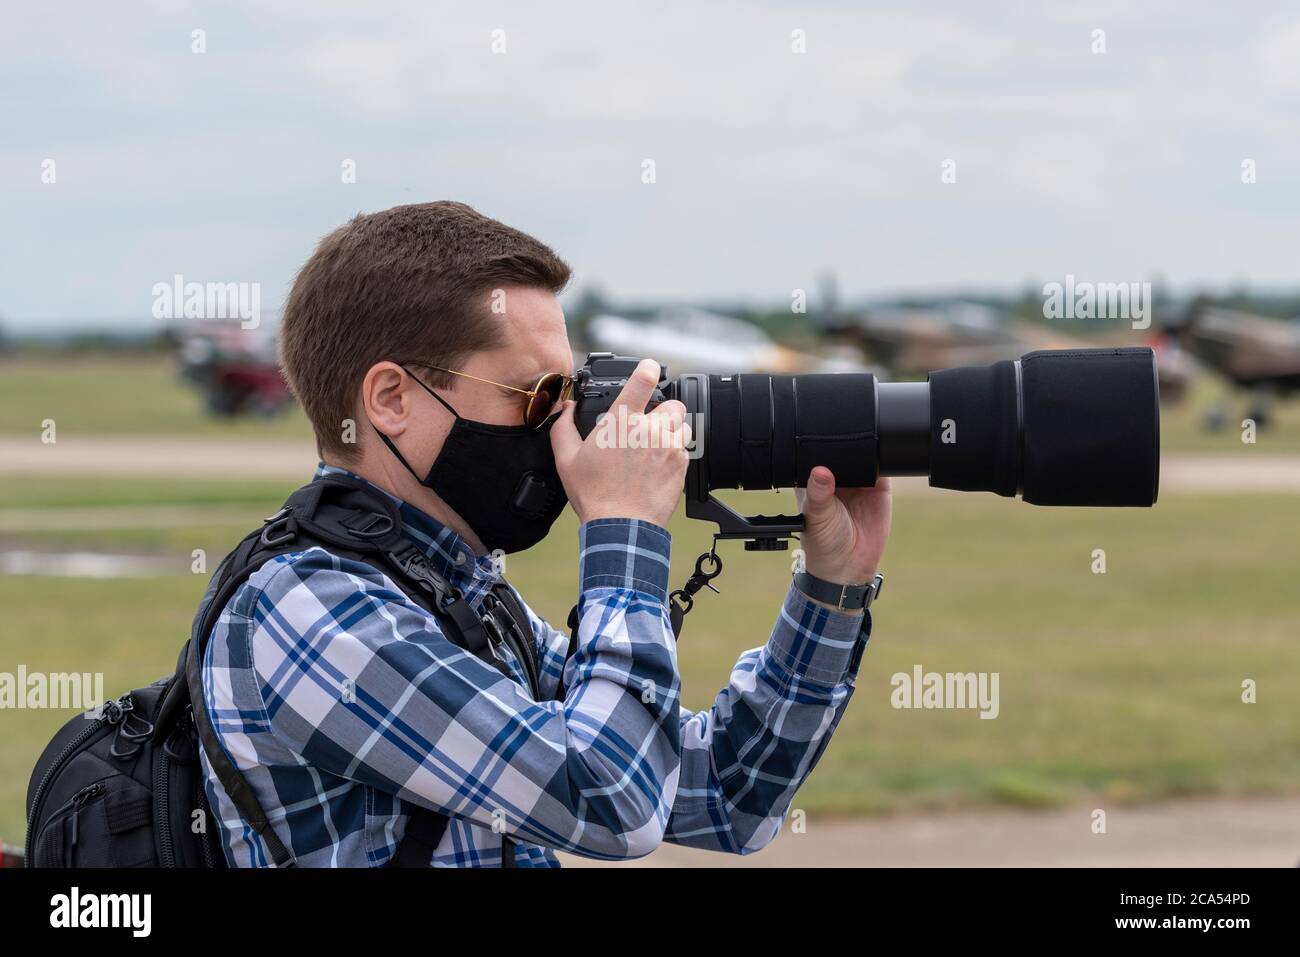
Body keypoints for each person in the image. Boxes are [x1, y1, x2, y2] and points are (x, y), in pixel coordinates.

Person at [197, 201, 891, 866]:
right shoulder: (312, 609)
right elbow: (613, 803)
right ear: (391, 399)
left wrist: (833, 587)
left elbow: (728, 793)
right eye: (537, 397)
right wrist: (624, 531)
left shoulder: (450, 591)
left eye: (570, 395)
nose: (562, 428)